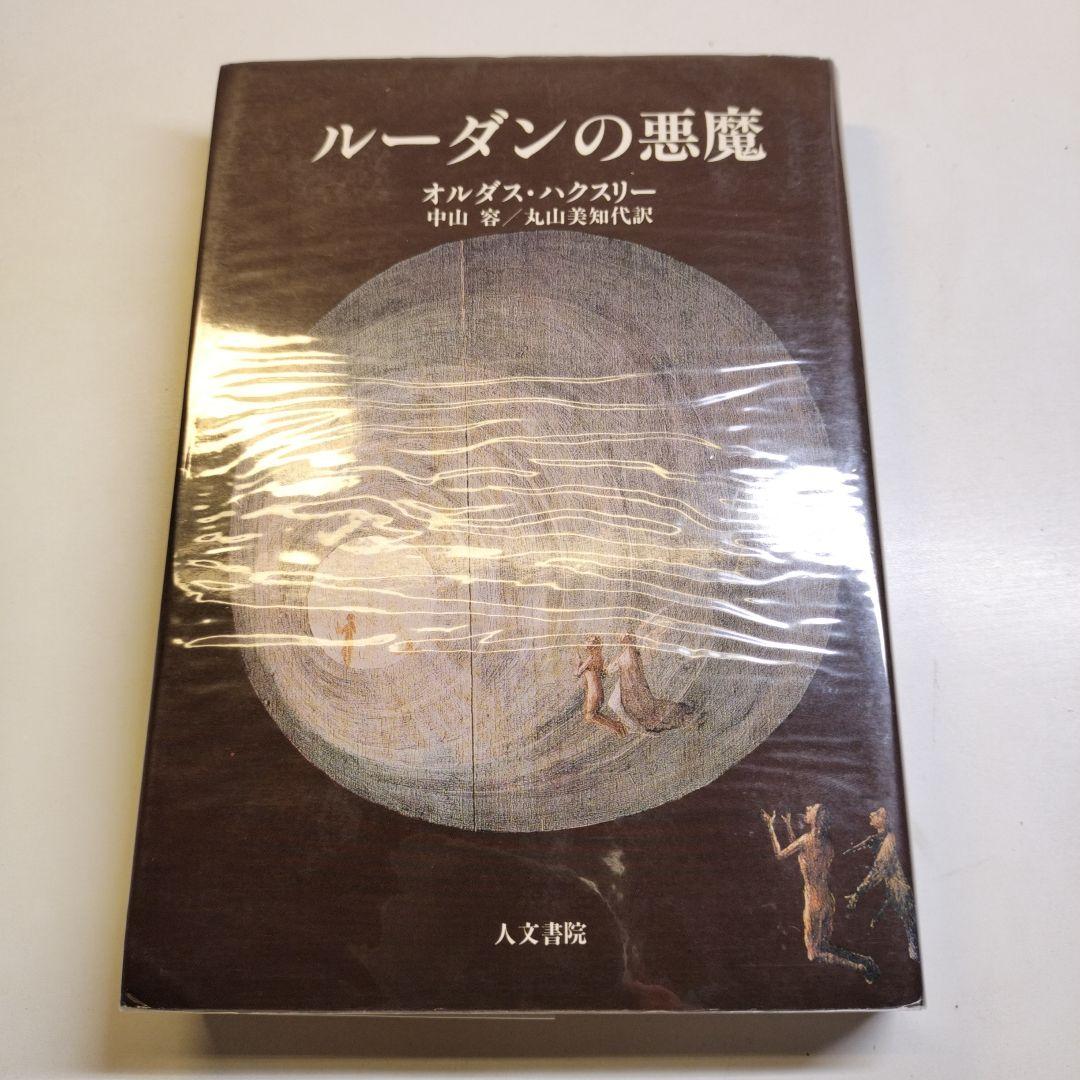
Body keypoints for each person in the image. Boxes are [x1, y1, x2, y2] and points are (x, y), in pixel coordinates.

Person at [762, 804, 879, 982]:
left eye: (811, 809)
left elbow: (780, 854)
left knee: (814, 953)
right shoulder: (827, 844)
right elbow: (801, 854)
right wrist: (788, 826)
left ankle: (859, 967)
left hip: (813, 901)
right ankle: (864, 959)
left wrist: (770, 826)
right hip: (827, 900)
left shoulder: (805, 840)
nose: (807, 808)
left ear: (815, 819)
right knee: (825, 945)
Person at [845, 807, 919, 961]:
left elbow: (878, 870)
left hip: (900, 894)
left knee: (913, 939)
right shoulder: (880, 838)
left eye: (878, 814)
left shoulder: (889, 841)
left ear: (886, 821)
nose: (872, 814)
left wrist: (858, 892)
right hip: (892, 894)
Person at [606, 633, 694, 733]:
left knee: (653, 711)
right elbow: (614, 670)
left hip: (637, 690)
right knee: (646, 712)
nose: (624, 637)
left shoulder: (634, 653)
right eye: (623, 636)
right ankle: (683, 718)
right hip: (631, 692)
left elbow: (637, 672)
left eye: (627, 636)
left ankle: (685, 718)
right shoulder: (624, 655)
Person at [575, 638, 626, 736]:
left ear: (592, 647)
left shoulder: (590, 658)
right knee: (592, 714)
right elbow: (602, 673)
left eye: (588, 641)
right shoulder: (600, 658)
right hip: (599, 691)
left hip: (593, 692)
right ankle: (616, 726)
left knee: (590, 716)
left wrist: (578, 661)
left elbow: (577, 673)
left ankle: (616, 726)